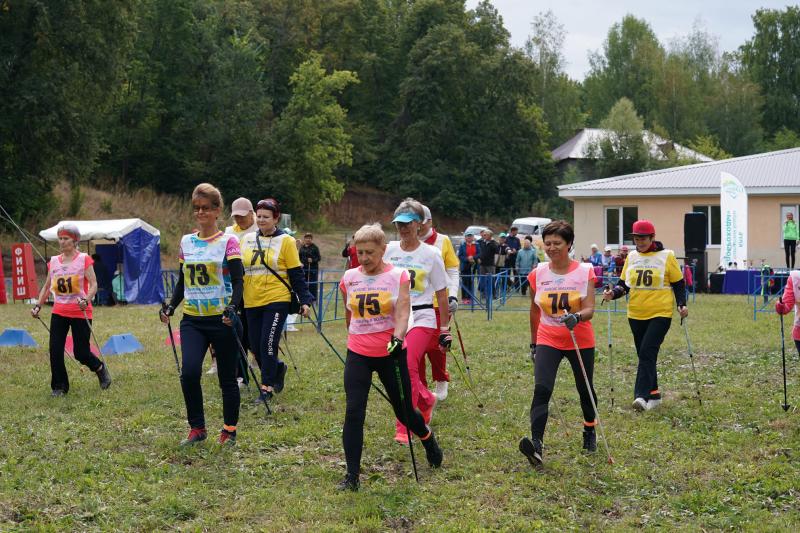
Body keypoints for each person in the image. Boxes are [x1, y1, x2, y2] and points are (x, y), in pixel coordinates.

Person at [337, 223, 443, 491]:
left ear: (383, 250)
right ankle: (352, 476)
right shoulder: (349, 277)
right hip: (358, 353)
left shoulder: (398, 276)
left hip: (390, 352)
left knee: (404, 410)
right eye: (359, 253)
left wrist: (398, 337)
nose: (364, 258)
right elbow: (349, 315)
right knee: (353, 412)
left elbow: (403, 311)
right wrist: (354, 338)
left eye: (369, 253)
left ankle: (427, 438)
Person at [159, 183, 243, 445]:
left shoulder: (229, 241)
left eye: (206, 208)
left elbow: (240, 281)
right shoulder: (187, 241)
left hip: (221, 319)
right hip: (193, 319)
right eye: (196, 209)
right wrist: (171, 305)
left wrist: (233, 307)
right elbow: (183, 281)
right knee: (190, 372)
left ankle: (229, 430)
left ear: (217, 211)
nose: (200, 213)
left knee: (227, 377)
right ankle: (197, 428)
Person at [519, 220, 598, 469]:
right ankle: (537, 444)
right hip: (548, 337)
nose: (552, 248)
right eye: (548, 243)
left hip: (579, 337)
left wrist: (577, 316)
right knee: (542, 388)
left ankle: (589, 429)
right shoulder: (538, 273)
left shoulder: (584, 271)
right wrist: (534, 343)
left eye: (557, 243)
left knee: (584, 388)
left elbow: (590, 309)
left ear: (569, 244)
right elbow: (534, 311)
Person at [383, 198, 451, 444]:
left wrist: (445, 328)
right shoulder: (388, 250)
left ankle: (405, 424)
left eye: (408, 223)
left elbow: (441, 293)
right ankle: (425, 399)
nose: (403, 228)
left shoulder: (431, 254)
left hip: (422, 315)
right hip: (396, 316)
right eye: (399, 223)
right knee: (397, 367)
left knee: (408, 363)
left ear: (420, 225)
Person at [603, 220, 688, 411]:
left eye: (643, 238)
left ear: (652, 238)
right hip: (635, 313)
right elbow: (623, 285)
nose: (639, 242)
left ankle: (641, 397)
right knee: (644, 355)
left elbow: (679, 283)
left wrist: (682, 304)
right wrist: (612, 294)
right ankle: (654, 394)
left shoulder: (667, 256)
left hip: (660, 313)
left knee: (647, 352)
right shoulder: (632, 257)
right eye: (636, 238)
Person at [239, 198, 314, 403]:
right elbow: (239, 270)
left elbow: (296, 274)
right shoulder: (246, 239)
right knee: (255, 345)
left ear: (276, 219)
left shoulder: (286, 241)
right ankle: (278, 368)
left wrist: (305, 300)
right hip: (251, 300)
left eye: (266, 217)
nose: (261, 220)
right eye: (259, 216)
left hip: (276, 299)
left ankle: (266, 388)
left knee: (268, 343)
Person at [31, 224, 112, 396]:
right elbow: (47, 287)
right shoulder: (53, 261)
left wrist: (86, 299)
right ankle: (59, 386)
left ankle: (99, 368)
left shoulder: (83, 259)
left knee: (80, 353)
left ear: (75, 240)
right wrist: (38, 305)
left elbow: (94, 284)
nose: (62, 242)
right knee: (55, 349)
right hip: (59, 312)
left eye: (65, 238)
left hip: (80, 311)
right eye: (60, 238)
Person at [418, 204, 459, 401]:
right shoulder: (404, 242)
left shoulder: (443, 241)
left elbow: (452, 269)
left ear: (429, 222)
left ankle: (441, 378)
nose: (417, 228)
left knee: (436, 345)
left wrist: (453, 294)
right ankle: (420, 386)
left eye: (421, 223)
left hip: (438, 301)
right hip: (414, 302)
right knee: (416, 347)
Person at [224, 197, 258, 384]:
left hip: (257, 288)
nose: (239, 220)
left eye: (243, 216)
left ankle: (273, 367)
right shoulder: (229, 233)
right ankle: (241, 375)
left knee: (254, 335)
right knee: (238, 332)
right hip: (236, 288)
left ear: (252, 214)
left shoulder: (260, 230)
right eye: (236, 216)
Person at [457, 232, 480, 303]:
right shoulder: (462, 245)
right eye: (468, 236)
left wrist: (473, 257)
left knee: (471, 282)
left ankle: (470, 298)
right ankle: (464, 298)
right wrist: (467, 259)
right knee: (464, 282)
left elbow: (479, 253)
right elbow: (460, 256)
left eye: (470, 236)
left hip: (473, 266)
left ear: (473, 237)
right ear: (465, 238)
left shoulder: (476, 245)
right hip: (464, 266)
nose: (469, 238)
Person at [299, 232, 321, 299]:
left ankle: (313, 298)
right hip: (303, 269)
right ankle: (305, 298)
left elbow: (319, 258)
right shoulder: (302, 248)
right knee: (303, 283)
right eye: (306, 238)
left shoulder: (315, 248)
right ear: (304, 239)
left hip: (312, 269)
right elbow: (299, 257)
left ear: (311, 239)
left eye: (309, 238)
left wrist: (313, 260)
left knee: (312, 284)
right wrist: (300, 263)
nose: (308, 239)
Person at [479, 230, 499, 300]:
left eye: (485, 235)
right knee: (482, 280)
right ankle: (483, 294)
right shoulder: (482, 242)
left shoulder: (494, 243)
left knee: (492, 279)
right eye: (483, 235)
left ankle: (494, 294)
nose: (483, 236)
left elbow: (497, 250)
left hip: (490, 265)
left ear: (490, 236)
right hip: (482, 264)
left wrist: (491, 242)